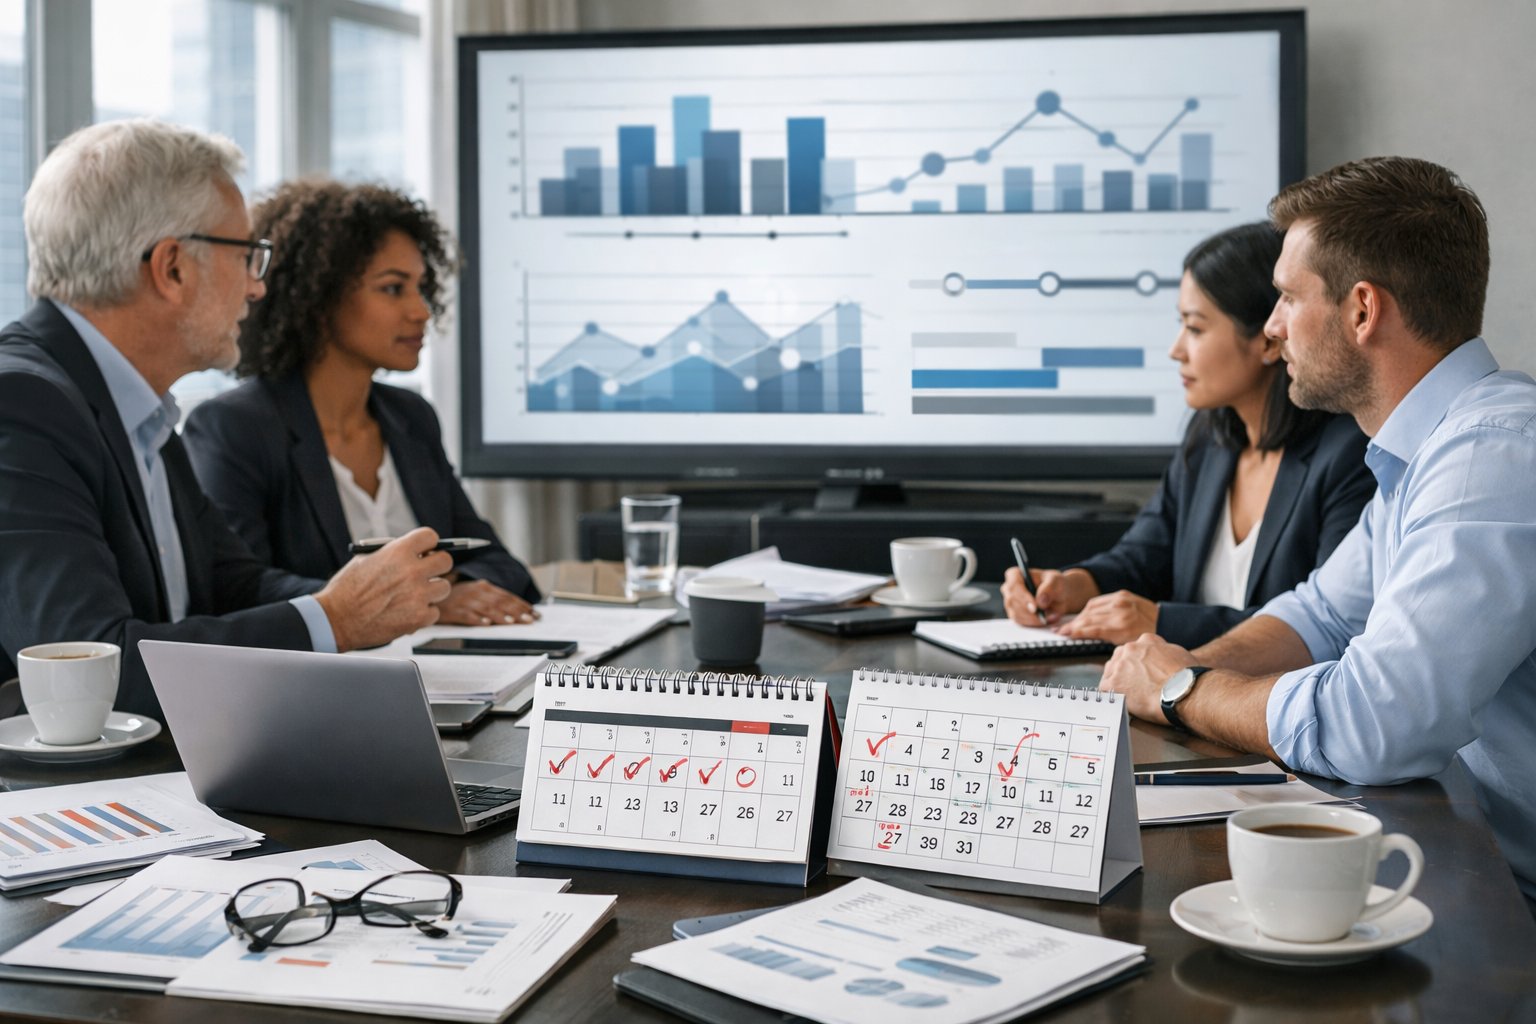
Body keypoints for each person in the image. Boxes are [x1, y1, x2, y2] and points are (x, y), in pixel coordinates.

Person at [1098, 156, 1536, 903]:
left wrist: (1181, 686)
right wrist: (1172, 670)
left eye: (1285, 299)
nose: (1271, 329)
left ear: (1362, 310)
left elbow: (1376, 723)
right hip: (1476, 859)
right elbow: (1321, 614)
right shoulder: (1425, 453)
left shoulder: (1491, 457)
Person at [0, 120, 453, 719]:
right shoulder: (20, 406)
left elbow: (233, 585)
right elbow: (92, 671)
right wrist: (333, 618)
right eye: (247, 256)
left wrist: (371, 596)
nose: (257, 288)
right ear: (173, 268)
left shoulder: (140, 408)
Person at [183, 180, 540, 626]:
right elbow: (237, 594)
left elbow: (501, 567)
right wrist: (423, 603)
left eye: (421, 287)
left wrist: (440, 597)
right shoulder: (233, 428)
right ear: (319, 296)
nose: (421, 310)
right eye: (393, 289)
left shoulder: (410, 417)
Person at [1002, 224, 1374, 646]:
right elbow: (1145, 556)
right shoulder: (1208, 439)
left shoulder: (1349, 455)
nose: (1176, 349)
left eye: (1195, 328)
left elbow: (1327, 627)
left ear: (1270, 338)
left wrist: (1164, 623)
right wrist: (1073, 586)